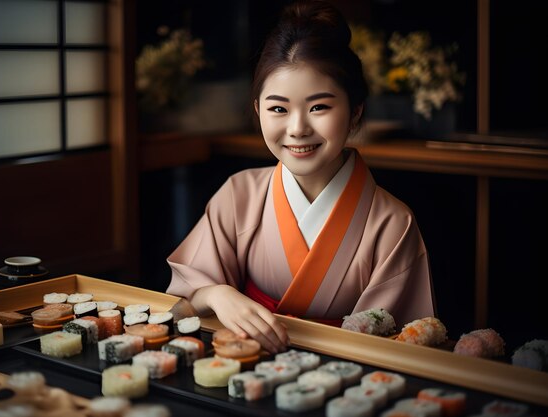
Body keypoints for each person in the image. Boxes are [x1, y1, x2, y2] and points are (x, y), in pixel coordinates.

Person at [166, 0, 435, 354]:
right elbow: (178, 308)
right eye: (278, 108)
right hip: (241, 370)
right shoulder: (238, 195)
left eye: (319, 107)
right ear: (257, 110)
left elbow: (404, 348)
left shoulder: (392, 223)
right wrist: (217, 295)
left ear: (355, 113)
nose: (297, 128)